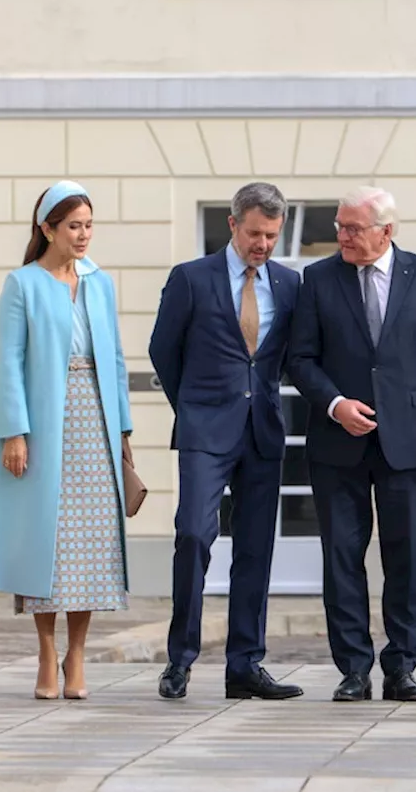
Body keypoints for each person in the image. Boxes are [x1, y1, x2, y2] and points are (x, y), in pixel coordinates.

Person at [287, 186, 416, 703]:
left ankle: (402, 666)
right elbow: (300, 359)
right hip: (336, 442)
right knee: (341, 557)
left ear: (386, 231)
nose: (341, 236)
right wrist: (335, 404)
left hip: (410, 442)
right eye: (339, 226)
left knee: (406, 557)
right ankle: (353, 670)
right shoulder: (317, 280)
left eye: (352, 228)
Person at [0, 180, 134, 701]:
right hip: (45, 423)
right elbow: (11, 362)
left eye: (89, 225)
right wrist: (14, 434)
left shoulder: (100, 282)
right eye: (74, 226)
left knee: (90, 545)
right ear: (47, 229)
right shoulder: (21, 284)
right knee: (45, 543)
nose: (84, 234)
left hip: (96, 420)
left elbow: (113, 360)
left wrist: (125, 431)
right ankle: (46, 651)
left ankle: (78, 655)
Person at [148, 182, 303, 701]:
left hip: (262, 431)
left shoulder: (288, 282)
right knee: (193, 535)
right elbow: (163, 350)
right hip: (205, 431)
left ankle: (245, 666)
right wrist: (193, 407)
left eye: (272, 236)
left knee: (256, 550)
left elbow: (287, 356)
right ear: (233, 224)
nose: (263, 244)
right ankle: (180, 660)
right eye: (256, 233)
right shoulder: (191, 278)